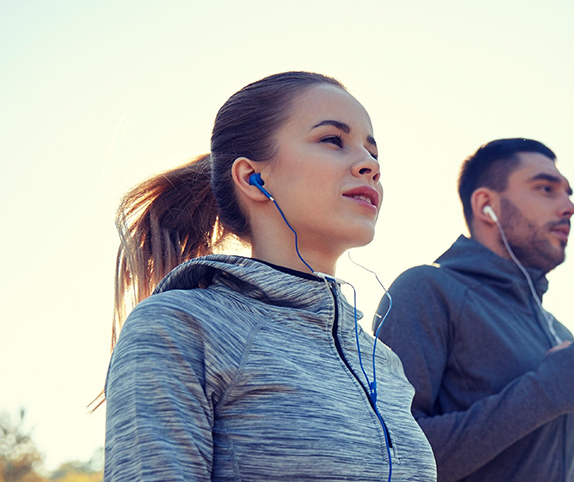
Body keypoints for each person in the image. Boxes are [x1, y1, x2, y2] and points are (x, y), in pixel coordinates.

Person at [103, 71, 437, 481]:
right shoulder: (181, 325)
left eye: (373, 151)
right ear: (252, 178)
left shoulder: (382, 362)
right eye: (333, 140)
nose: (370, 165)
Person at [373, 138, 574, 482]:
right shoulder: (427, 290)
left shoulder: (558, 332)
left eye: (569, 193)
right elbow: (390, 453)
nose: (569, 207)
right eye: (546, 189)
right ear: (486, 204)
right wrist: (546, 391)